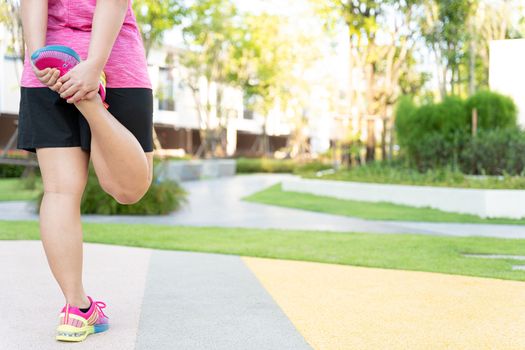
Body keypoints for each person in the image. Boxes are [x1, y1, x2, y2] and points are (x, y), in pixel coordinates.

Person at [18, 0, 154, 342]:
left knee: (59, 191)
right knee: (128, 189)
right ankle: (91, 101)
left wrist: (39, 58)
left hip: (49, 66)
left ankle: (76, 308)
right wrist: (93, 66)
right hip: (114, 60)